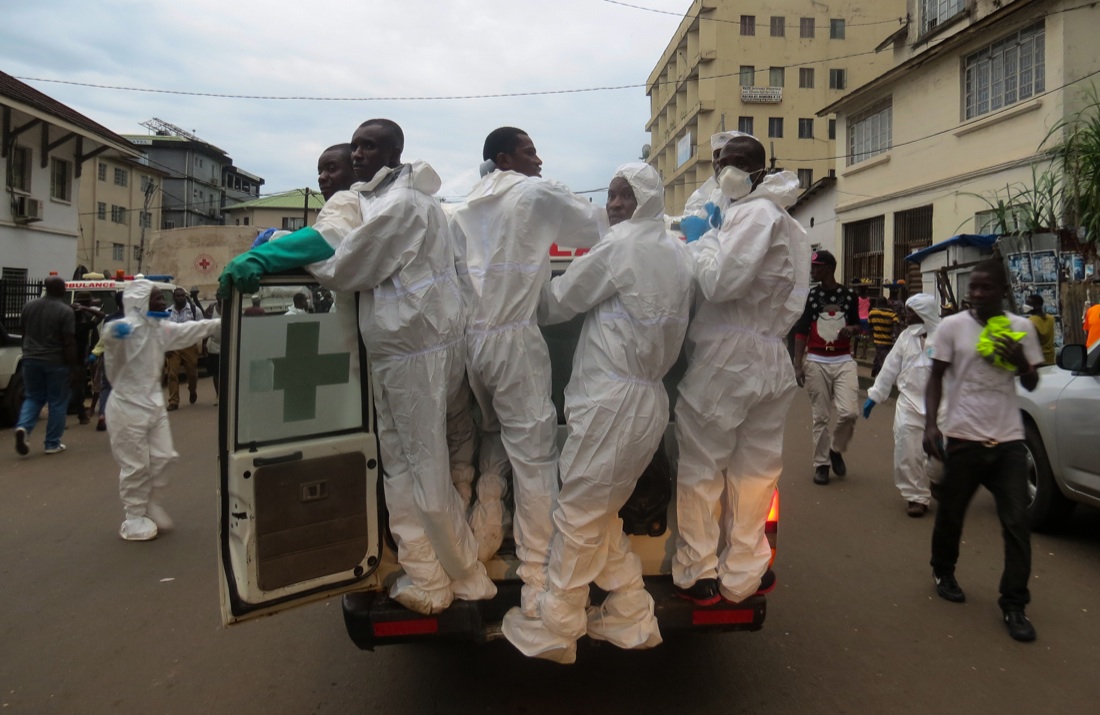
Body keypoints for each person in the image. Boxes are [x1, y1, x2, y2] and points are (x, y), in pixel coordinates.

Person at [221, 118, 494, 615]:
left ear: (394, 151)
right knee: (408, 466)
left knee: (419, 467)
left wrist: (280, 256)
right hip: (410, 349)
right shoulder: (411, 203)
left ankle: (461, 574)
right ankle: (428, 568)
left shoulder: (403, 206)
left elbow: (347, 267)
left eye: (367, 147)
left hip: (413, 351)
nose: (357, 155)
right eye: (355, 147)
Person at [502, 163, 693, 663]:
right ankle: (631, 606)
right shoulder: (676, 249)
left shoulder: (621, 245)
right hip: (647, 401)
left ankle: (558, 620)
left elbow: (560, 302)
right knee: (599, 508)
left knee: (578, 511)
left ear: (646, 200)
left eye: (623, 196)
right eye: (610, 196)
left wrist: (517, 284)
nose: (613, 205)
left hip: (611, 402)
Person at [449, 126, 605, 616]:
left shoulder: (467, 203)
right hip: (515, 339)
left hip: (470, 342)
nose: (539, 159)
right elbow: (597, 228)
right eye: (529, 151)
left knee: (491, 431)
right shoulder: (535, 193)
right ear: (504, 157)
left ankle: (483, 529)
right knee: (535, 456)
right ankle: (537, 573)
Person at [673, 133, 810, 606]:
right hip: (769, 358)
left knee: (702, 466)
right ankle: (745, 570)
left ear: (760, 169)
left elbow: (719, 282)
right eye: (719, 162)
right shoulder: (785, 221)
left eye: (736, 161)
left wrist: (701, 239)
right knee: (756, 469)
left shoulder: (752, 214)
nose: (725, 169)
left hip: (727, 358)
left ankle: (698, 570)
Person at [923, 259, 1042, 642]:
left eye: (985, 288)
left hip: (1008, 442)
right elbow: (935, 376)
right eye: (972, 287)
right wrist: (930, 425)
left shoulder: (1021, 328)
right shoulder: (952, 327)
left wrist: (1021, 360)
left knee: (1016, 524)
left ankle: (1014, 604)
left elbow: (1034, 382)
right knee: (952, 515)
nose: (975, 294)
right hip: (963, 439)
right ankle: (943, 569)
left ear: (1002, 290)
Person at [103, 280, 220, 540]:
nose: (161, 303)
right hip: (126, 406)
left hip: (153, 403)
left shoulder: (159, 330)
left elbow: (191, 329)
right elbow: (110, 343)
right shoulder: (123, 331)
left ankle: (150, 502)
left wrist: (221, 323)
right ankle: (133, 517)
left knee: (165, 456)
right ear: (140, 302)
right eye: (156, 298)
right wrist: (113, 333)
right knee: (135, 465)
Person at [863, 293, 942, 517]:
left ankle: (936, 480)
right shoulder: (905, 337)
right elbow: (890, 367)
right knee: (906, 450)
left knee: (939, 458)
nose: (905, 317)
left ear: (924, 314)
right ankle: (915, 496)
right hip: (908, 403)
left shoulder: (946, 336)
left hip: (940, 408)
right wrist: (875, 395)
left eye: (910, 313)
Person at [793, 249, 860, 485]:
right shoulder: (811, 297)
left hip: (843, 360)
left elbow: (857, 326)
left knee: (849, 412)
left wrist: (852, 329)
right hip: (817, 362)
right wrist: (798, 364)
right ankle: (821, 465)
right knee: (820, 416)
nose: (814, 271)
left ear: (829, 268)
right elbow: (801, 331)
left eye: (817, 267)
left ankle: (835, 449)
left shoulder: (849, 296)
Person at [14, 276, 78, 456]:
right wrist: (72, 367)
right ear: (60, 289)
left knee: (33, 397)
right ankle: (52, 443)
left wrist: (27, 352)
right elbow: (68, 341)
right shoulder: (65, 311)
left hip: (30, 358)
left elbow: (23, 332)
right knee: (57, 401)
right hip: (55, 361)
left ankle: (23, 428)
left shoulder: (29, 306)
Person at [679, 131, 739, 241]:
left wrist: (699, 238)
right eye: (716, 155)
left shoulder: (756, 205)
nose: (719, 161)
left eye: (725, 155)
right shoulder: (716, 195)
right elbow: (692, 214)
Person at [71, 291, 105, 424]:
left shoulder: (69, 316)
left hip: (67, 355)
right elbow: (101, 315)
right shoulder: (83, 321)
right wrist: (85, 307)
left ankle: (77, 410)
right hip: (79, 356)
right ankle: (80, 413)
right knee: (79, 387)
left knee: (72, 386)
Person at [165, 287, 201, 411]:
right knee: (172, 374)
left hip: (189, 346)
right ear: (174, 297)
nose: (180, 298)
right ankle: (174, 401)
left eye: (182, 296)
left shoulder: (194, 310)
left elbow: (200, 326)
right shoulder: (168, 312)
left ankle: (192, 390)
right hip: (173, 346)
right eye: (178, 296)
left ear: (185, 297)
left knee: (192, 374)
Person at [867, 296, 899, 376]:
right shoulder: (892, 314)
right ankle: (882, 376)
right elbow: (896, 327)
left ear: (877, 303)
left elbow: (870, 327)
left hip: (877, 340)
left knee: (879, 357)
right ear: (887, 303)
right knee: (884, 360)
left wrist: (871, 338)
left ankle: (874, 373)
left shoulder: (872, 313)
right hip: (888, 340)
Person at [1024, 294, 1055, 365]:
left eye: (1028, 304)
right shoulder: (1051, 318)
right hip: (1050, 359)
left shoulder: (1030, 321)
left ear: (1037, 306)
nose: (1025, 306)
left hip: (1037, 362)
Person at [203, 297, 223, 400]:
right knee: (216, 373)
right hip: (215, 345)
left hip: (229, 345)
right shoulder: (211, 309)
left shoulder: (233, 306)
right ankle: (218, 394)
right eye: (219, 294)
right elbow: (206, 329)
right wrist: (204, 345)